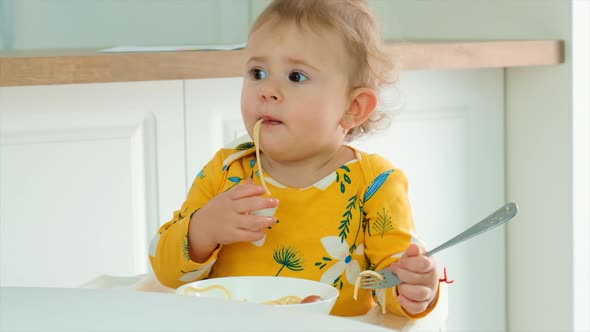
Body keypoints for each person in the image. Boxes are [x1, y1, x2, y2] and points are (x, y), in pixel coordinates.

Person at [149, 0, 440, 318]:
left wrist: (412, 288)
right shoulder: (227, 171)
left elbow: (390, 284)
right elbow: (167, 274)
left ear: (353, 108)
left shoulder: (376, 182)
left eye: (296, 76)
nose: (267, 91)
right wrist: (202, 231)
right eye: (257, 73)